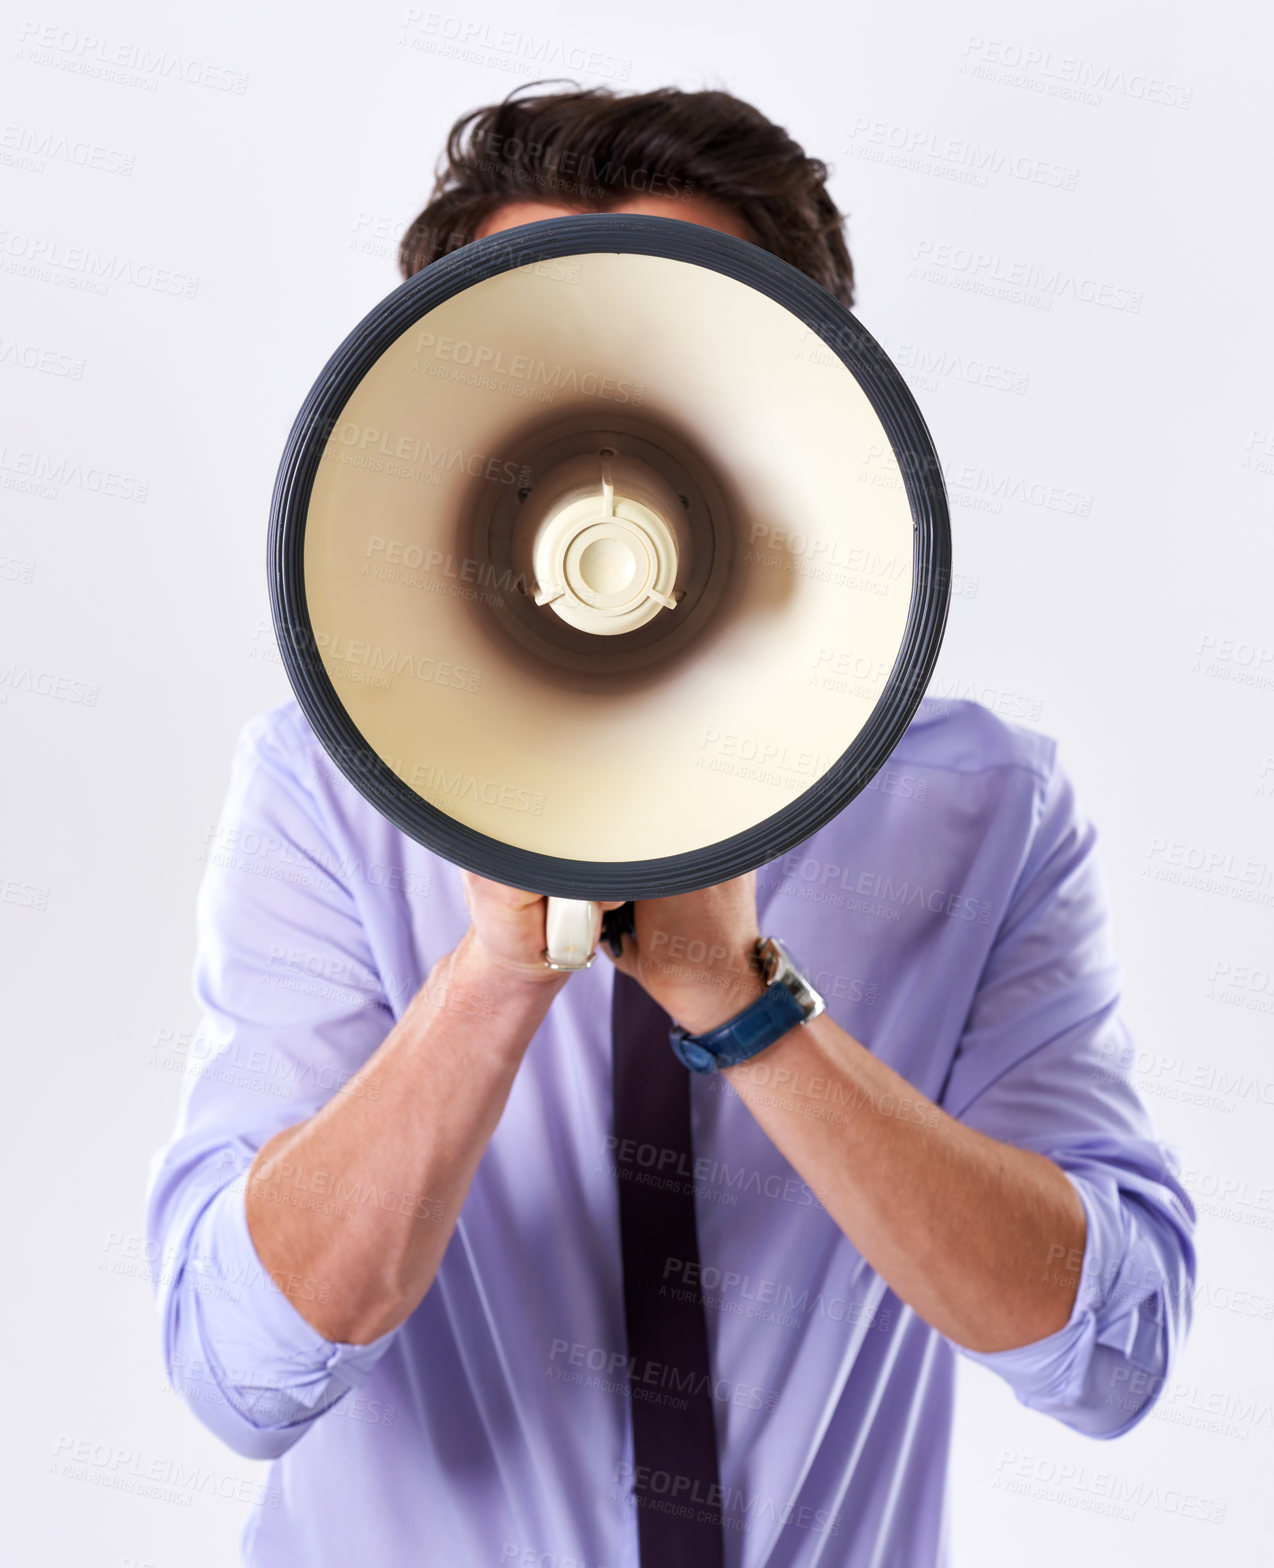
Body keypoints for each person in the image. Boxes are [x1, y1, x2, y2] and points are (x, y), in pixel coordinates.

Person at [146, 83, 1196, 1567]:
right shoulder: (325, 790)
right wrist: (493, 976)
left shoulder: (983, 811)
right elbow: (240, 1372)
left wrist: (742, 999)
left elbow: (1110, 1355)